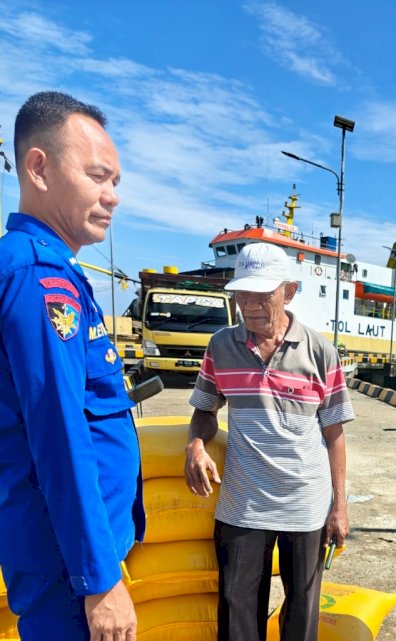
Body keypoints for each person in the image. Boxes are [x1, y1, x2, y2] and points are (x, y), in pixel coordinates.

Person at [0, 92, 144, 640]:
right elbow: (59, 436)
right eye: (98, 176)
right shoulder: (40, 280)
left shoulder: (54, 270)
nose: (112, 197)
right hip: (70, 572)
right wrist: (99, 582)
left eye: (116, 182)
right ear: (39, 168)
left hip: (73, 560)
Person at [184, 242, 354, 641]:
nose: (250, 304)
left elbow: (335, 433)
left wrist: (339, 506)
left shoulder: (321, 352)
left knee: (301, 617)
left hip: (306, 506)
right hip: (243, 505)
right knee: (237, 614)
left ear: (289, 292)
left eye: (263, 294)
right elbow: (205, 410)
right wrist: (195, 445)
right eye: (243, 293)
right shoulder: (221, 347)